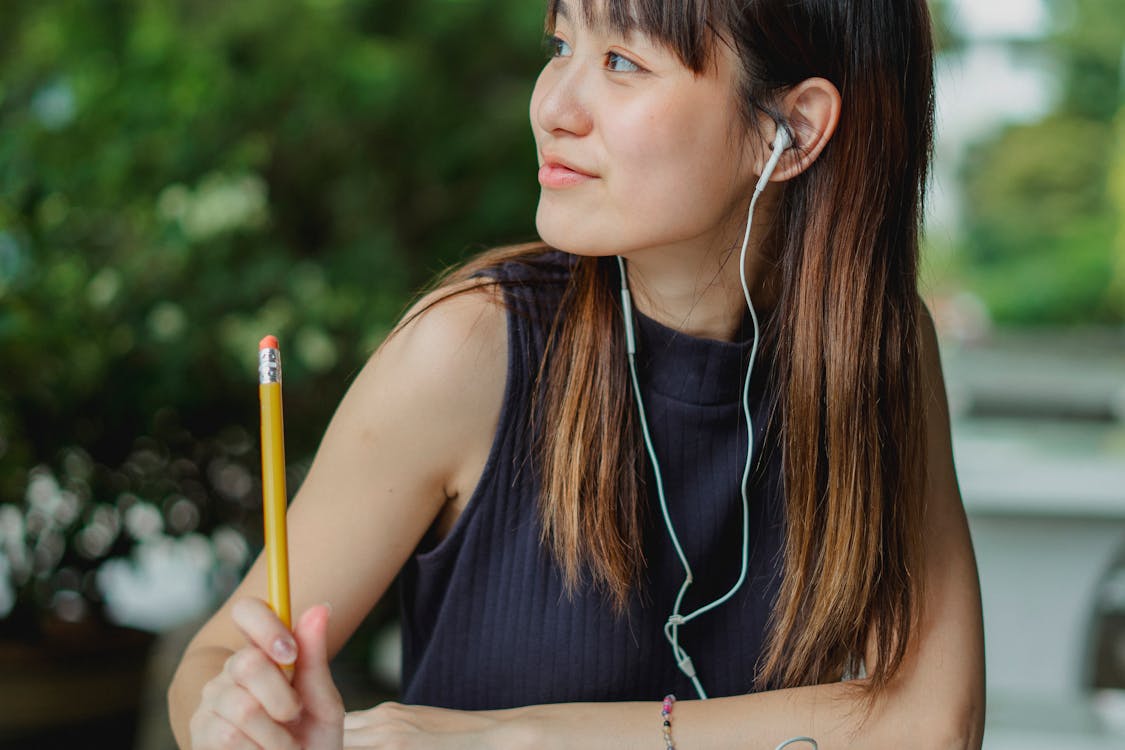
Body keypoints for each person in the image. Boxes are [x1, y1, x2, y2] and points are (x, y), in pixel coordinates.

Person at [169, 0, 986, 747]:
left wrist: (515, 740)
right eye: (559, 44)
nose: (552, 107)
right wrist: (232, 713)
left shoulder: (875, 351)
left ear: (793, 129)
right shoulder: (468, 349)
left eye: (621, 63)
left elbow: (929, 721)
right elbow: (214, 661)